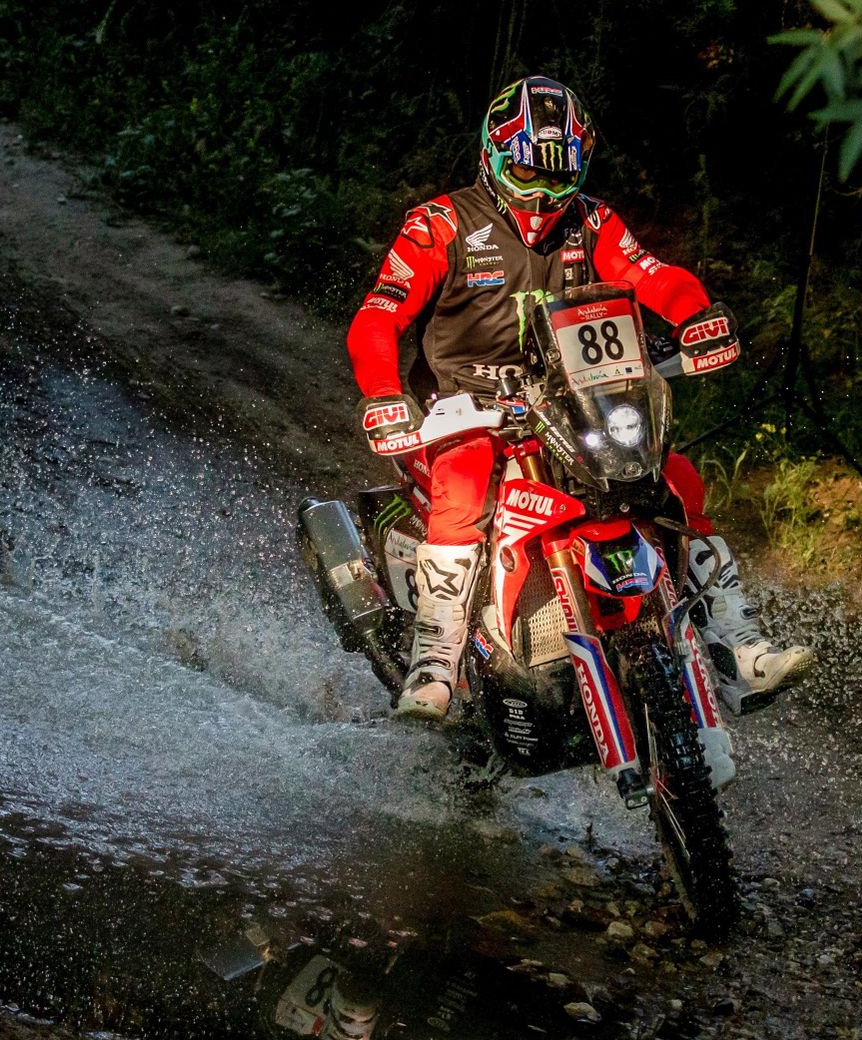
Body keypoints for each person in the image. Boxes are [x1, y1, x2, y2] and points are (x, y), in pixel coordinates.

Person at [345, 75, 812, 720]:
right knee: (464, 483)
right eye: (528, 170)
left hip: (568, 408)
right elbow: (377, 318)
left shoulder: (590, 220)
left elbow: (652, 274)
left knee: (674, 478)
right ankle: (435, 664)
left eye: (559, 172)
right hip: (466, 412)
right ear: (494, 155)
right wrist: (382, 395)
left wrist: (695, 315)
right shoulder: (440, 225)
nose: (543, 191)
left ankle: (738, 648)